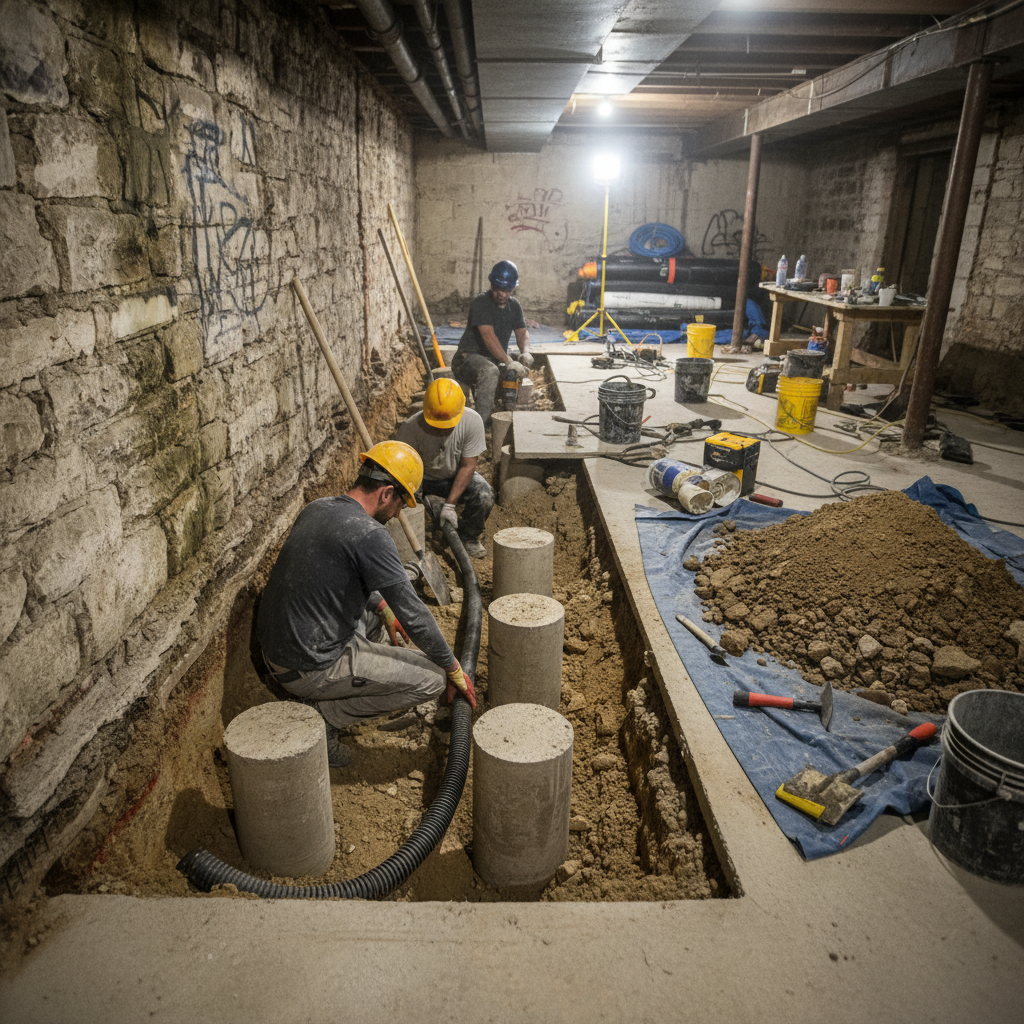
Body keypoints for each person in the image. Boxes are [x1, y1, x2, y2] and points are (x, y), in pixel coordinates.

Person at [256, 440, 477, 768]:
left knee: (379, 612)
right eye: (402, 501)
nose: (400, 511)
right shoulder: (371, 534)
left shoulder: (319, 507)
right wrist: (453, 667)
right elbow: (414, 614)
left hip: (281, 647)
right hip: (309, 666)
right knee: (432, 678)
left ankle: (361, 673)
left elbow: (336, 573)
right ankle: (326, 717)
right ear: (387, 493)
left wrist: (382, 608)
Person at [396, 378, 493, 559]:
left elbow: (468, 465)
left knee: (484, 495)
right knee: (404, 507)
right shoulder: (410, 428)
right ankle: (419, 540)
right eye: (436, 424)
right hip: (420, 478)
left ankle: (469, 537)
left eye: (447, 424)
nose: (441, 430)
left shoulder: (472, 421)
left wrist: (449, 505)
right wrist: (413, 499)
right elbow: (405, 469)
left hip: (454, 477)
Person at [450, 259, 533, 426]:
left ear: (513, 288)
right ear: (491, 285)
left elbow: (522, 332)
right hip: (466, 359)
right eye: (498, 289)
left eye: (507, 290)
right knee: (491, 371)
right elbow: (488, 336)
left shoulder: (514, 306)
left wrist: (525, 351)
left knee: (511, 372)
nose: (502, 294)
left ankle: (507, 416)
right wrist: (509, 361)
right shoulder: (481, 302)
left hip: (493, 360)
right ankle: (479, 426)